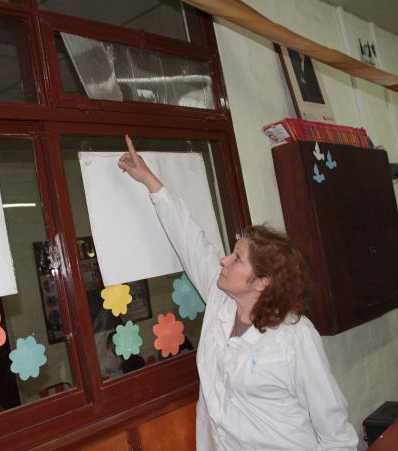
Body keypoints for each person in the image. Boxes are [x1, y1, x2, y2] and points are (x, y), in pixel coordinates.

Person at [118, 135, 358, 451]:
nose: (224, 260)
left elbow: (337, 435)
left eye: (237, 258)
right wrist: (149, 180)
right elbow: (189, 240)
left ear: (262, 282)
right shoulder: (221, 302)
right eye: (232, 252)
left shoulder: (295, 337)